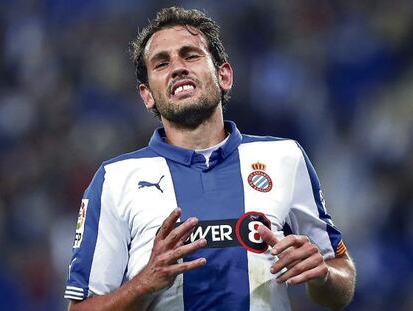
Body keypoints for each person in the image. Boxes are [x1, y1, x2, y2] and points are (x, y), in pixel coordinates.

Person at [64, 7, 356, 311]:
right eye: (161, 63)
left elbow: (341, 278)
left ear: (224, 75)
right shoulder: (116, 179)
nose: (177, 67)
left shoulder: (285, 157)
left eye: (190, 55)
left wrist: (322, 274)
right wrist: (144, 283)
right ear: (147, 94)